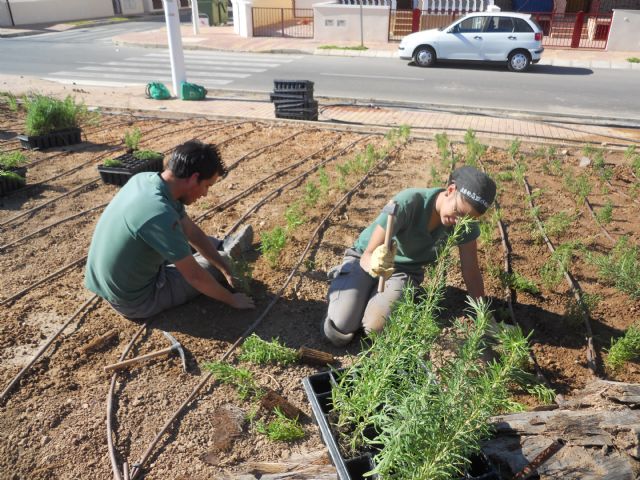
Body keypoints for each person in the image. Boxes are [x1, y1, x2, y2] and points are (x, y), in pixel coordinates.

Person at [323, 166, 496, 346]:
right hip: (365, 262)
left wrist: (482, 314)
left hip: (402, 272)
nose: (460, 222)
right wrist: (374, 264)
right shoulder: (410, 201)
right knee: (340, 327)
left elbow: (471, 271)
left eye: (469, 219)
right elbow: (368, 254)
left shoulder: (464, 225)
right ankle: (344, 278)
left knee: (375, 329)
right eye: (458, 212)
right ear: (450, 190)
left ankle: (382, 298)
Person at [85, 140, 255, 319]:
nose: (205, 194)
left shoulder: (144, 180)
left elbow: (193, 233)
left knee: (208, 245)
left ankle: (223, 249)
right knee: (210, 268)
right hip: (136, 300)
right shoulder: (159, 214)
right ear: (194, 178)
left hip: (113, 281)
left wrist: (226, 269)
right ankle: (227, 251)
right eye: (207, 186)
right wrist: (232, 299)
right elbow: (195, 277)